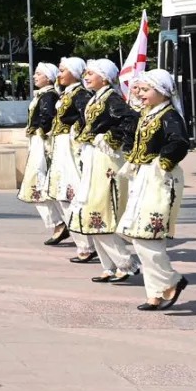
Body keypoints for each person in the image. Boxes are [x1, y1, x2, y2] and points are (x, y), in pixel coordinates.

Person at [118, 69, 190, 311]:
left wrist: (162, 162)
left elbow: (179, 142)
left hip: (160, 179)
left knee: (149, 235)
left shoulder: (170, 116)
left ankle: (172, 281)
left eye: (146, 90)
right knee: (140, 237)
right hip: (144, 177)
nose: (140, 94)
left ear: (162, 92)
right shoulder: (149, 114)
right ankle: (155, 294)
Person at [71, 59, 140, 285]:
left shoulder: (111, 98)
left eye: (91, 73)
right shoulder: (95, 98)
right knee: (89, 215)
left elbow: (131, 119)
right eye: (86, 73)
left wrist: (112, 137)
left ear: (105, 77)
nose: (86, 76)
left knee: (99, 214)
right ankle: (108, 266)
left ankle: (126, 263)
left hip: (107, 160)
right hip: (94, 158)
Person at [18, 63, 68, 246]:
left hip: (43, 143)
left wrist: (40, 132)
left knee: (37, 184)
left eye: (38, 74)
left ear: (48, 77)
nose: (34, 76)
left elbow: (47, 119)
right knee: (37, 186)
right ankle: (59, 223)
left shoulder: (48, 95)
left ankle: (60, 224)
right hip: (38, 141)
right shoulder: (45, 95)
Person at [50, 57, 93, 262]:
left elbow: (86, 119)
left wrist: (78, 135)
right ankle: (83, 243)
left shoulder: (81, 95)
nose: (59, 75)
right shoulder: (68, 93)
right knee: (62, 195)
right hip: (61, 147)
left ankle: (86, 245)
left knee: (71, 194)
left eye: (62, 71)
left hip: (71, 149)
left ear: (74, 73)